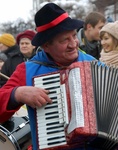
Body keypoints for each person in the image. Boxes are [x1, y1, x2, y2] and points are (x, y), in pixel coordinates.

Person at [0, 3, 100, 150]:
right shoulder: (27, 70)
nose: (73, 44)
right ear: (46, 45)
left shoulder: (95, 65)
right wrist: (17, 94)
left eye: (74, 36)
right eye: (64, 40)